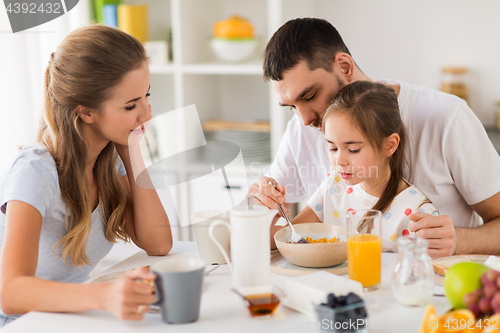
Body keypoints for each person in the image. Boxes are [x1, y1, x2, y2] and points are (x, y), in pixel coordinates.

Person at [250, 18, 500, 258]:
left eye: (310, 96)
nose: (304, 119)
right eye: (291, 107)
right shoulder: (302, 129)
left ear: (344, 66)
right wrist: (259, 205)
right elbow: (282, 229)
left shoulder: (446, 116)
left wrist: (458, 241)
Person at [0, 25, 173, 325]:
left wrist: (132, 150)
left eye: (146, 96)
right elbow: (10, 292)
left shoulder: (108, 158)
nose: (147, 114)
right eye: (131, 105)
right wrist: (104, 297)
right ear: (86, 113)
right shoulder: (36, 171)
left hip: (71, 318)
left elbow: (158, 244)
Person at [285, 81, 437, 252]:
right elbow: (289, 235)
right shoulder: (333, 186)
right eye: (332, 148)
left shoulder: (417, 212)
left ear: (389, 145)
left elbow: (423, 272)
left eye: (353, 149)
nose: (339, 161)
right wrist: (263, 210)